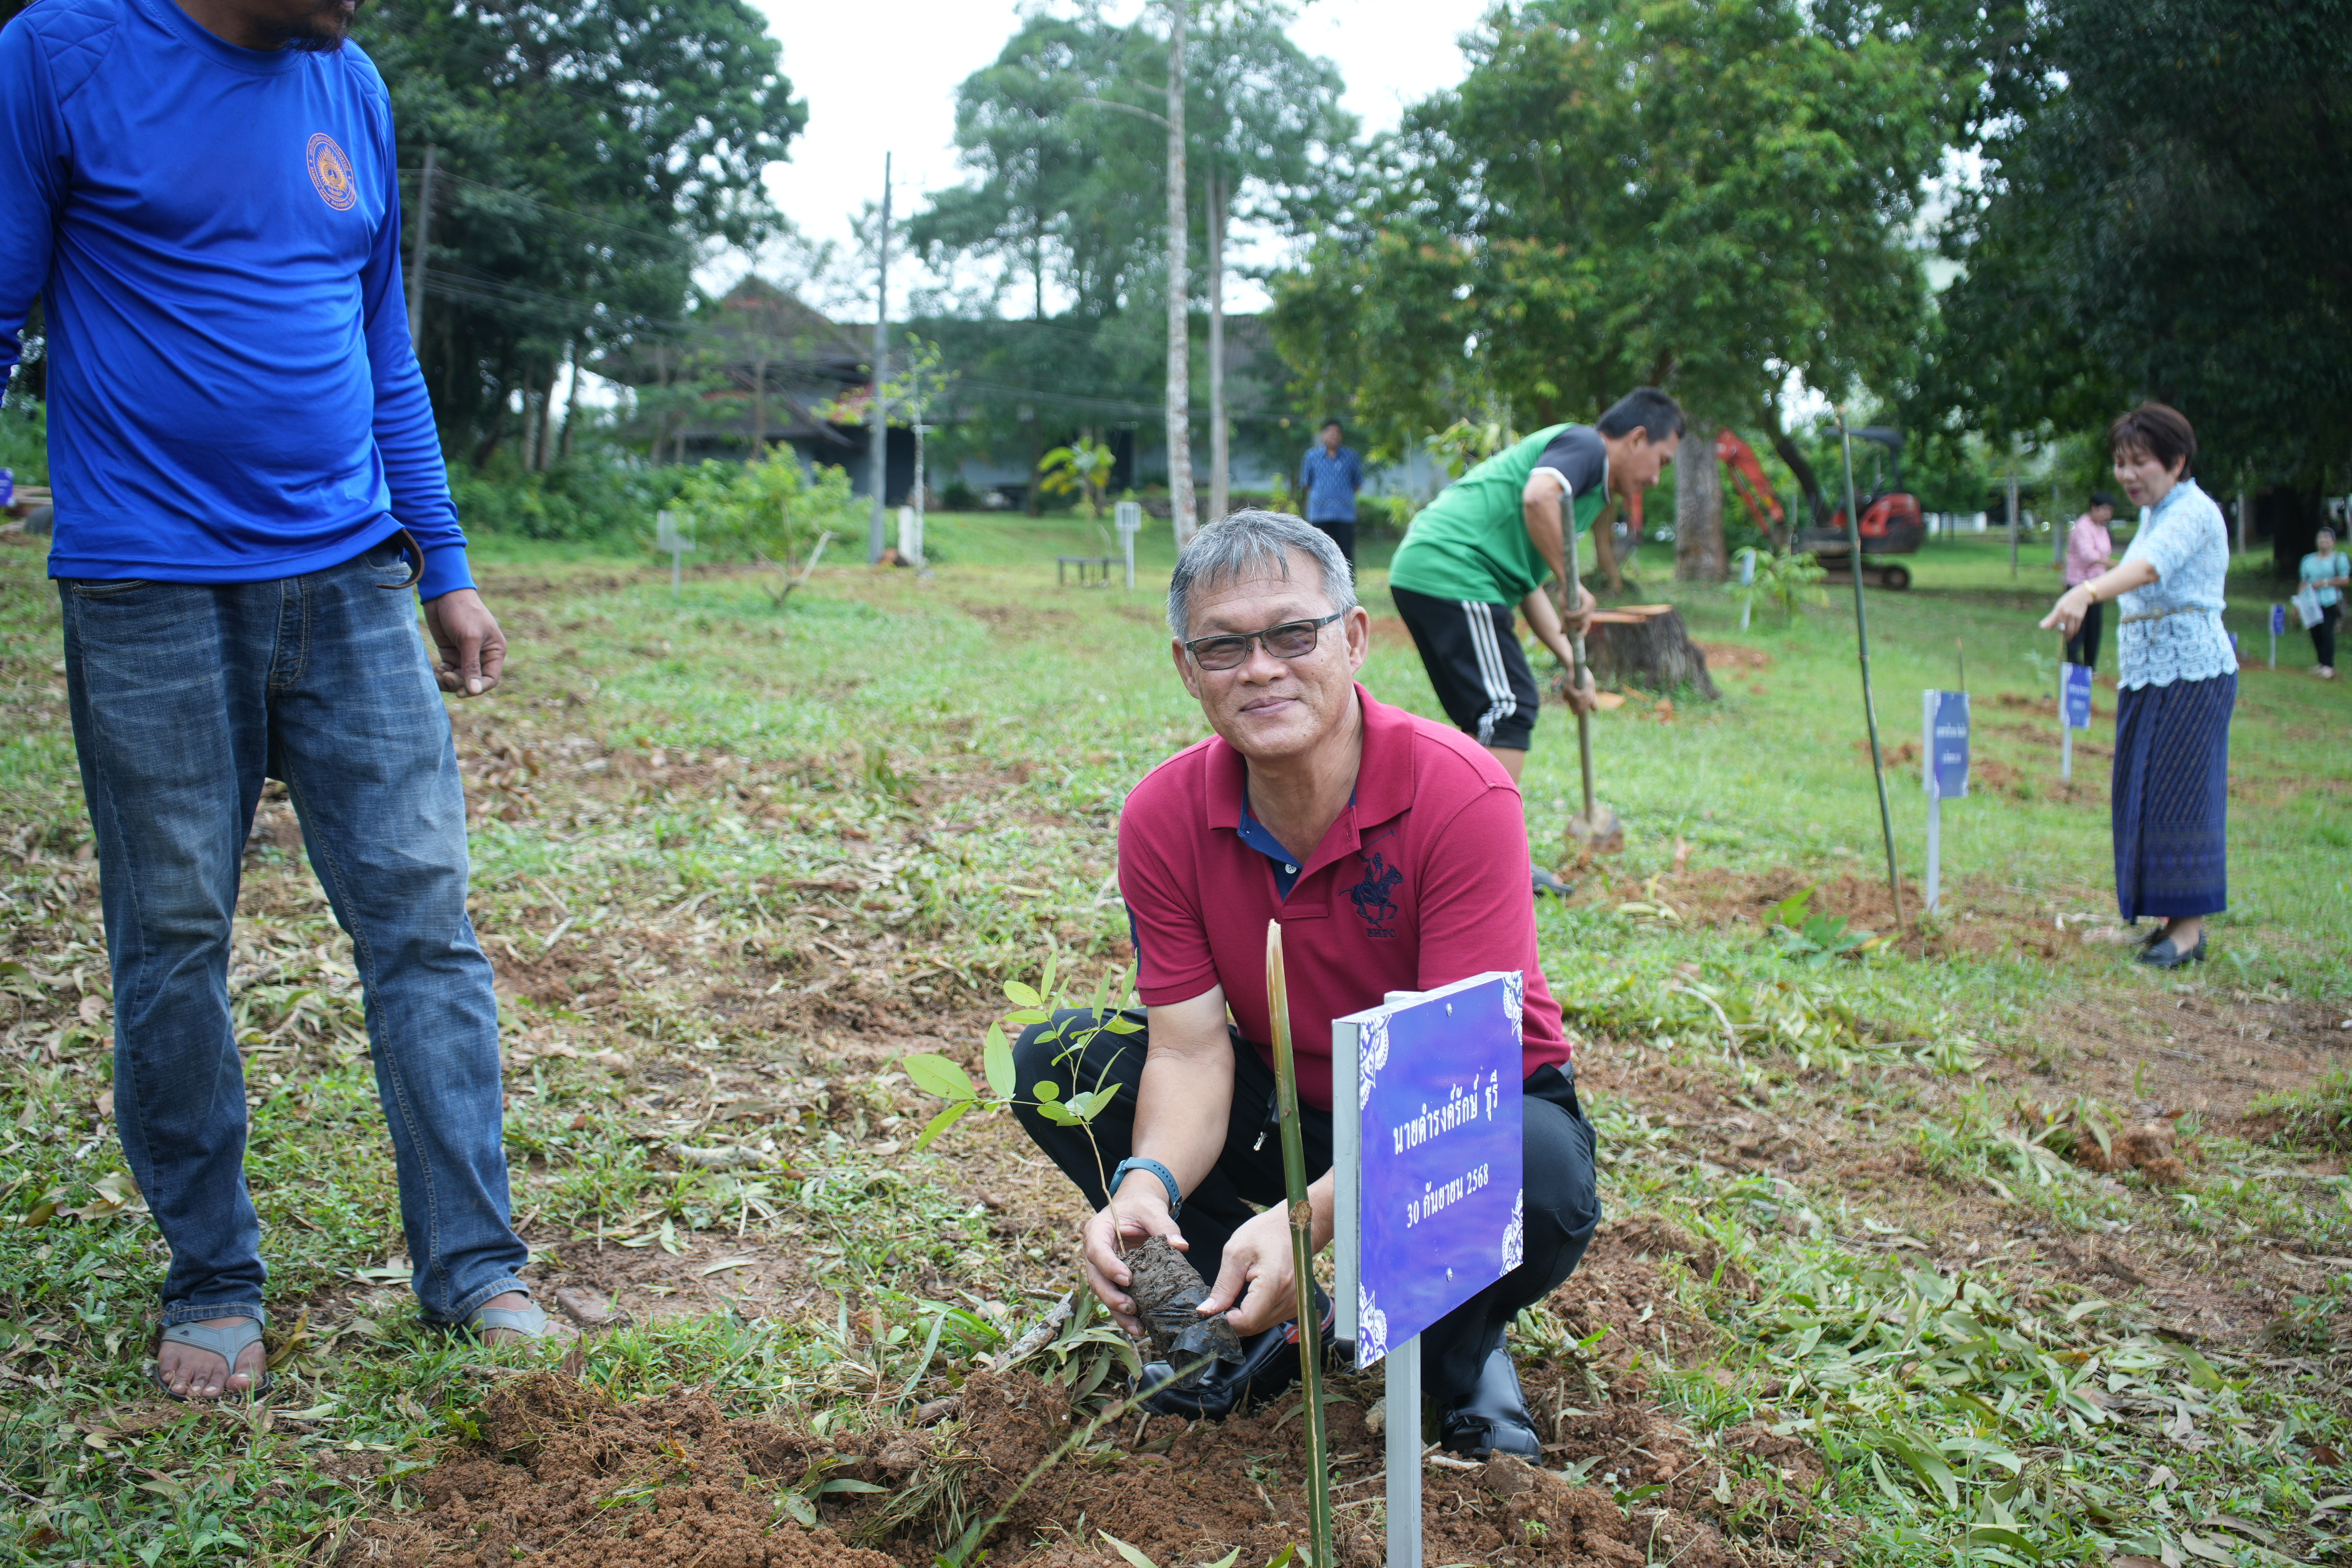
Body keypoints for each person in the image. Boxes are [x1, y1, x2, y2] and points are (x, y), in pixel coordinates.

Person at [0, 0, 544, 1400]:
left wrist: (444, 564)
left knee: (425, 924)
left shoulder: (350, 82)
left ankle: (475, 1265)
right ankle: (213, 1276)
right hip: (150, 585)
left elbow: (383, 348)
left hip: (353, 578)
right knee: (175, 936)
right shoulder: (60, 54)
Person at [1013, 511, 1600, 1459]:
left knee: (1536, 1164)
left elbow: (1452, 1072)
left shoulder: (1461, 792)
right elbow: (1190, 1051)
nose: (1260, 669)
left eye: (1293, 634)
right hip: (1286, 1104)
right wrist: (1146, 1182)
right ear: (1187, 668)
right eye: (1223, 646)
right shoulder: (1163, 816)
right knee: (1060, 1059)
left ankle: (1457, 1350)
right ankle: (1262, 1322)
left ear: (1354, 639)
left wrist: (1309, 1220)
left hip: (1458, 1104)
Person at [1384, 387, 1682, 893]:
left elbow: (1526, 583)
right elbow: (1537, 496)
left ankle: (1448, 852)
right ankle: (1485, 860)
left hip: (1440, 570)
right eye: (1663, 461)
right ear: (1636, 440)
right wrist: (1572, 582)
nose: (1657, 478)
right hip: (1454, 567)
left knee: (1488, 720)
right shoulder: (1585, 448)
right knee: (1509, 709)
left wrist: (1574, 664)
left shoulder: (1585, 493)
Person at [2041, 404, 2233, 969]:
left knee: (2183, 796)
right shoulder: (2155, 513)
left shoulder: (2193, 512)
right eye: (2121, 463)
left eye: (2140, 462)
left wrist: (2086, 592)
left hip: (2193, 676)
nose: (2126, 475)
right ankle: (2164, 921)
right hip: (2148, 677)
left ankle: (2189, 931)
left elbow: (2150, 569)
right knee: (2144, 794)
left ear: (2177, 462)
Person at [1296, 419, 1366, 571]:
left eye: (1337, 433)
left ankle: (1348, 585)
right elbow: (1307, 483)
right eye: (1330, 432)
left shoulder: (1351, 456)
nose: (1334, 436)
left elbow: (1357, 483)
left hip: (1344, 514)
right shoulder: (1312, 456)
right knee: (1319, 555)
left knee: (1346, 556)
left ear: (1341, 436)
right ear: (1324, 435)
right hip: (1320, 514)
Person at [2063, 492, 2119, 670]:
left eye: (2110, 511)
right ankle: (2074, 667)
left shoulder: (2102, 528)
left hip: (2097, 585)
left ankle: (2090, 668)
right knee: (2077, 627)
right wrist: (2114, 564)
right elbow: (2088, 555)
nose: (2107, 514)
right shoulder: (2082, 527)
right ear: (2094, 507)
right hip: (2078, 584)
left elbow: (2104, 551)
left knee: (2094, 629)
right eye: (2104, 510)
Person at [2298, 527, 2347, 678]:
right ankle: (2321, 662)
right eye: (2321, 539)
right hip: (2312, 602)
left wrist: (2325, 583)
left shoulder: (2339, 558)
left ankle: (2329, 665)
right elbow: (2304, 581)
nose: (2324, 542)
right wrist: (2299, 601)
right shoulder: (2308, 560)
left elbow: (2345, 580)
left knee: (2327, 632)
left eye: (2327, 539)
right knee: (2316, 633)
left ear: (2333, 542)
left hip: (2330, 600)